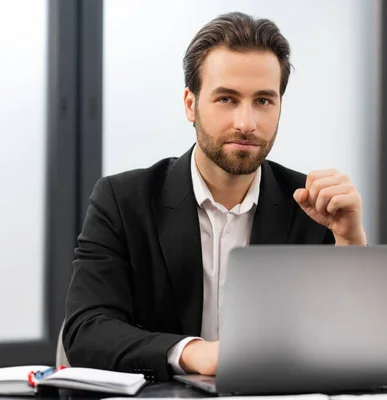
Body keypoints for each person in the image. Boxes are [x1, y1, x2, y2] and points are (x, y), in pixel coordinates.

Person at [62, 11, 367, 381]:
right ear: (191, 104)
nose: (246, 122)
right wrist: (193, 353)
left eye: (263, 101)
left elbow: (353, 349)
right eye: (226, 99)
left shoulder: (310, 205)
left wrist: (349, 242)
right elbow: (87, 331)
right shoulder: (122, 201)